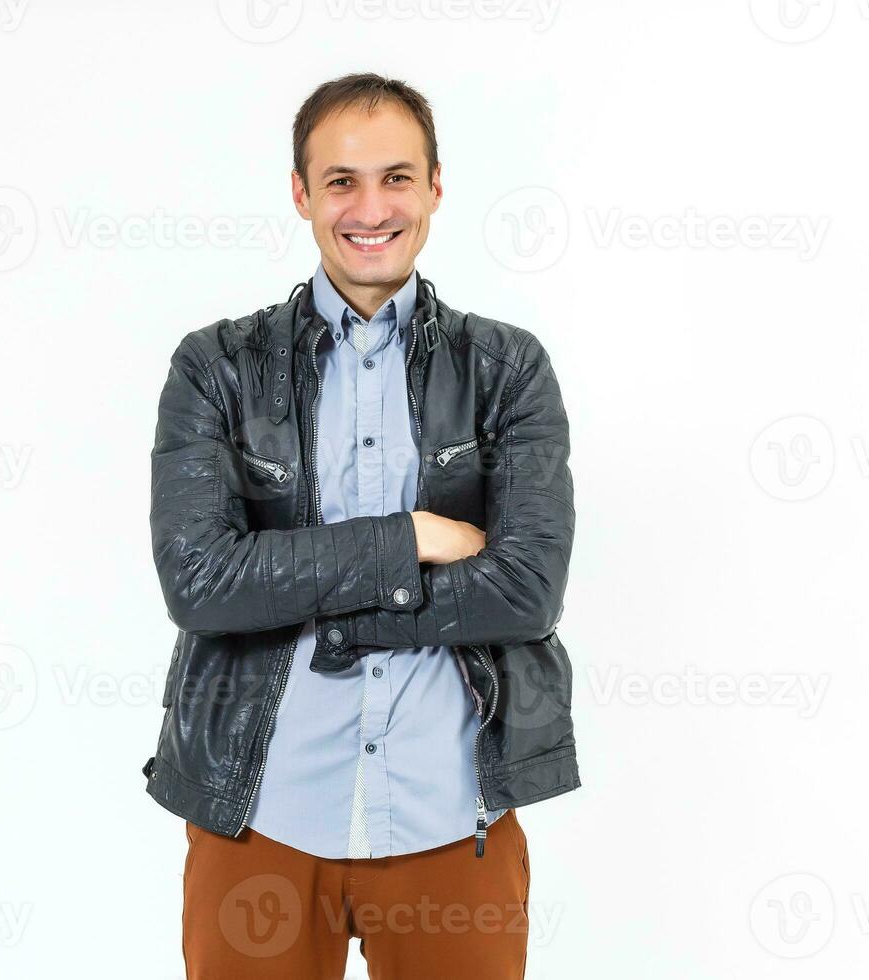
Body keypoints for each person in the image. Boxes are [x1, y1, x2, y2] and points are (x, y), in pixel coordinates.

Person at [141, 72, 580, 978]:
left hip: (452, 817)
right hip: (256, 815)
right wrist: (411, 536)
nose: (370, 207)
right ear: (301, 194)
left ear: (435, 189)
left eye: (396, 177)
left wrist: (302, 599)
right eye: (341, 181)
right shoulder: (214, 368)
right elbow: (199, 582)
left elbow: (528, 591)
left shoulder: (507, 369)